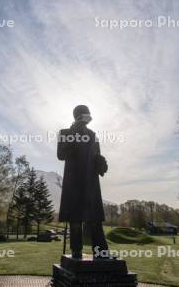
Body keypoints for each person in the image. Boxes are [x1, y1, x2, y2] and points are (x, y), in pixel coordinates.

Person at [57, 105, 109, 259]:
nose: (88, 117)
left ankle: (102, 253)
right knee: (75, 221)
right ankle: (76, 252)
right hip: (73, 183)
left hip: (91, 182)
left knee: (95, 221)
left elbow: (97, 155)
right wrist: (75, 133)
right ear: (78, 116)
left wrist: (101, 163)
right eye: (85, 115)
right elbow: (61, 154)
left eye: (89, 114)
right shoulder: (65, 133)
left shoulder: (93, 135)